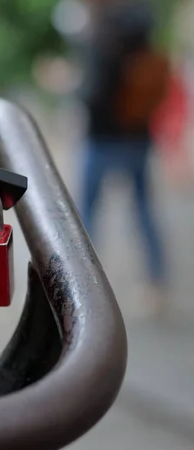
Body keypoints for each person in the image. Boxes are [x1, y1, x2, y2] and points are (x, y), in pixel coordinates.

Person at [75, 1, 170, 311]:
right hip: (138, 139)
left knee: (85, 214)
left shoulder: (104, 37)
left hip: (101, 140)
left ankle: (82, 284)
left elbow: (95, 96)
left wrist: (70, 86)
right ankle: (157, 284)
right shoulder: (141, 25)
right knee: (143, 210)